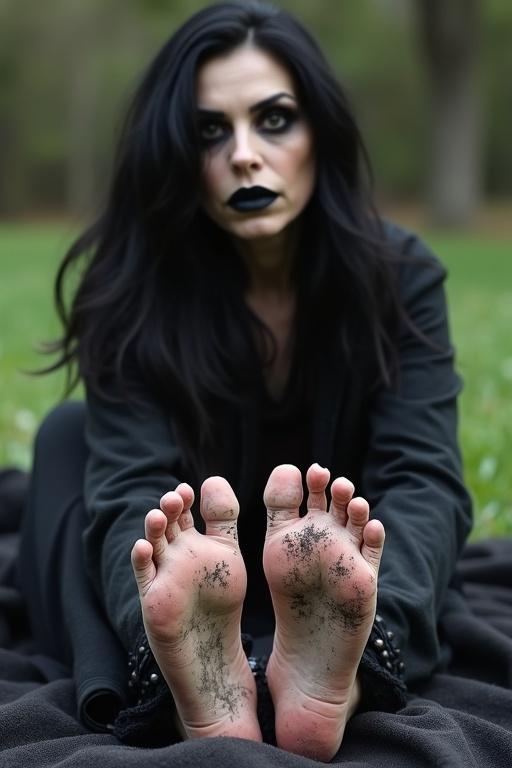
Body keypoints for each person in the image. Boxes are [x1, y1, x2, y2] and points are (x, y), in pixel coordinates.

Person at [18, 0, 472, 762]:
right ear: (174, 154)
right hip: (198, 563)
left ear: (319, 133)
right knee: (70, 443)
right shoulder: (135, 288)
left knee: (417, 514)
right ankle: (190, 675)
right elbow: (128, 485)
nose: (244, 155)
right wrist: (162, 609)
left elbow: (423, 475)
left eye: (274, 120)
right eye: (209, 131)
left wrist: (377, 616)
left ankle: (343, 672)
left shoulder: (402, 277)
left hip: (329, 562)